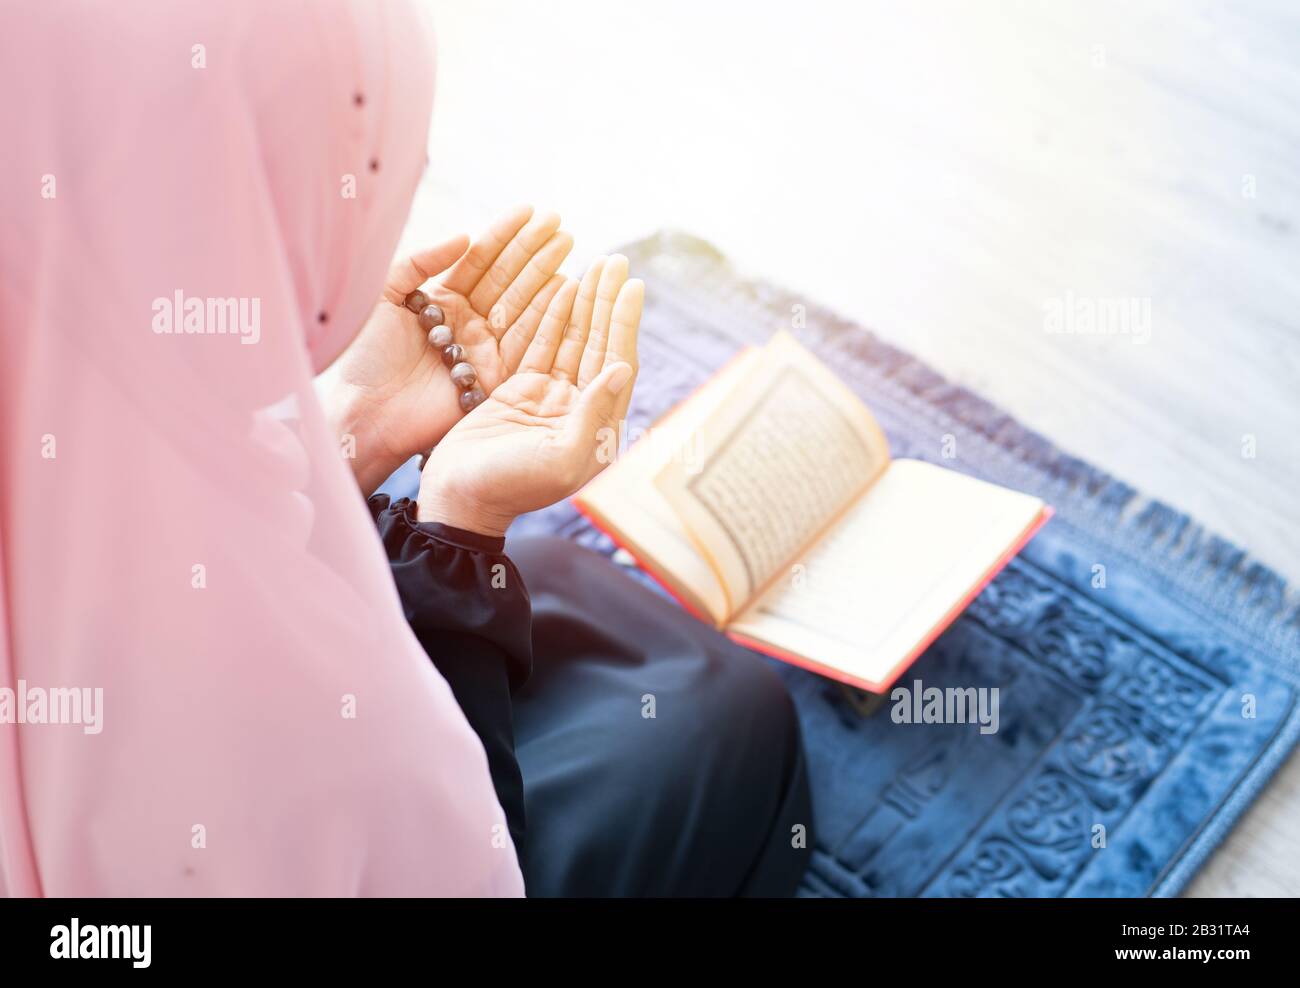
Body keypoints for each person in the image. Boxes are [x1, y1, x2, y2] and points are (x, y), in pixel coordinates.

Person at [0, 0, 808, 897]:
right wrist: (462, 525)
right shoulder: (308, 771)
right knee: (725, 717)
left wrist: (354, 428)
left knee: (564, 594)